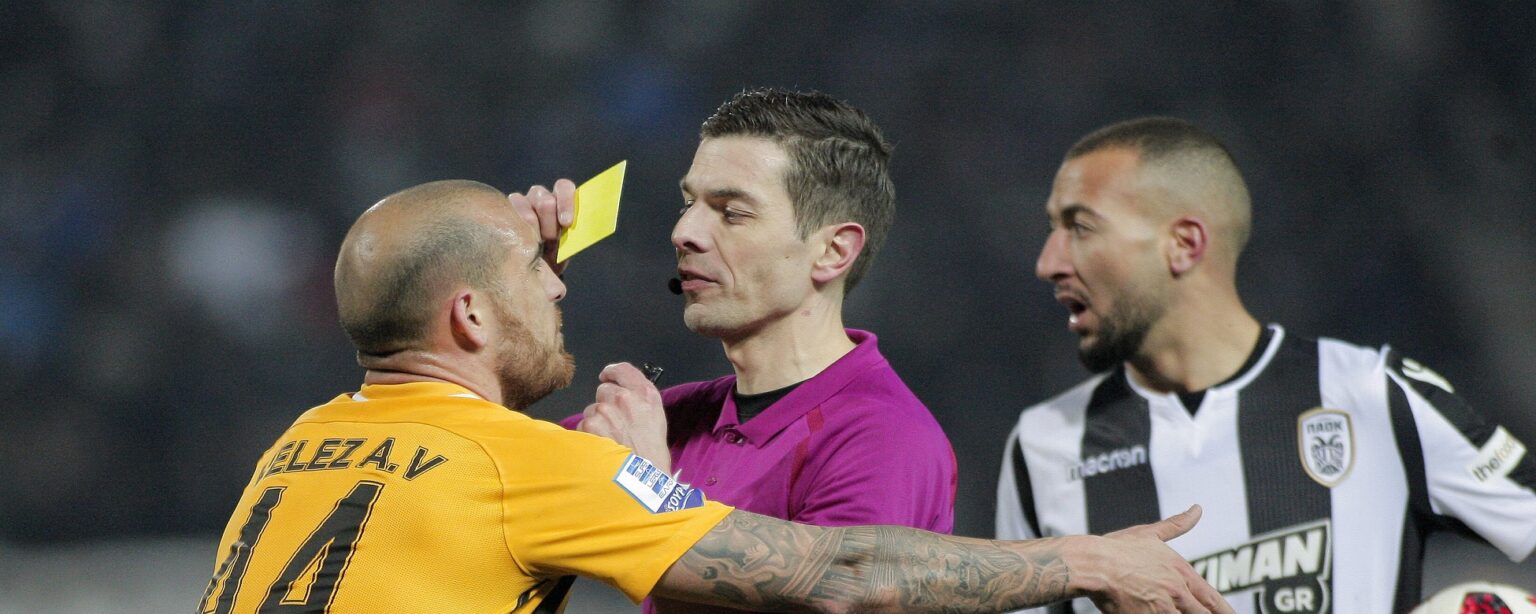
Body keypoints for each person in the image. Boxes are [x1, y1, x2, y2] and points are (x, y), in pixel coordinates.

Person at [199, 179, 1233, 613]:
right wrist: (1092, 560)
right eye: (536, 274)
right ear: (469, 315)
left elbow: (460, 449)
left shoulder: (299, 445)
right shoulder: (535, 469)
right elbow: (840, 569)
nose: (560, 284)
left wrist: (497, 259)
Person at [996, 117, 1536, 614]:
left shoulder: (1370, 392)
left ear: (1183, 244)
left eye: (1080, 228)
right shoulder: (1043, 446)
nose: (1048, 263)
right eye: (1052, 229)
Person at [530, 89, 955, 611]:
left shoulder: (884, 440)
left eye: (731, 213)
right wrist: (514, 287)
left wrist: (649, 489)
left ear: (833, 250)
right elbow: (466, 468)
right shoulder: (668, 419)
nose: (683, 233)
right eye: (688, 204)